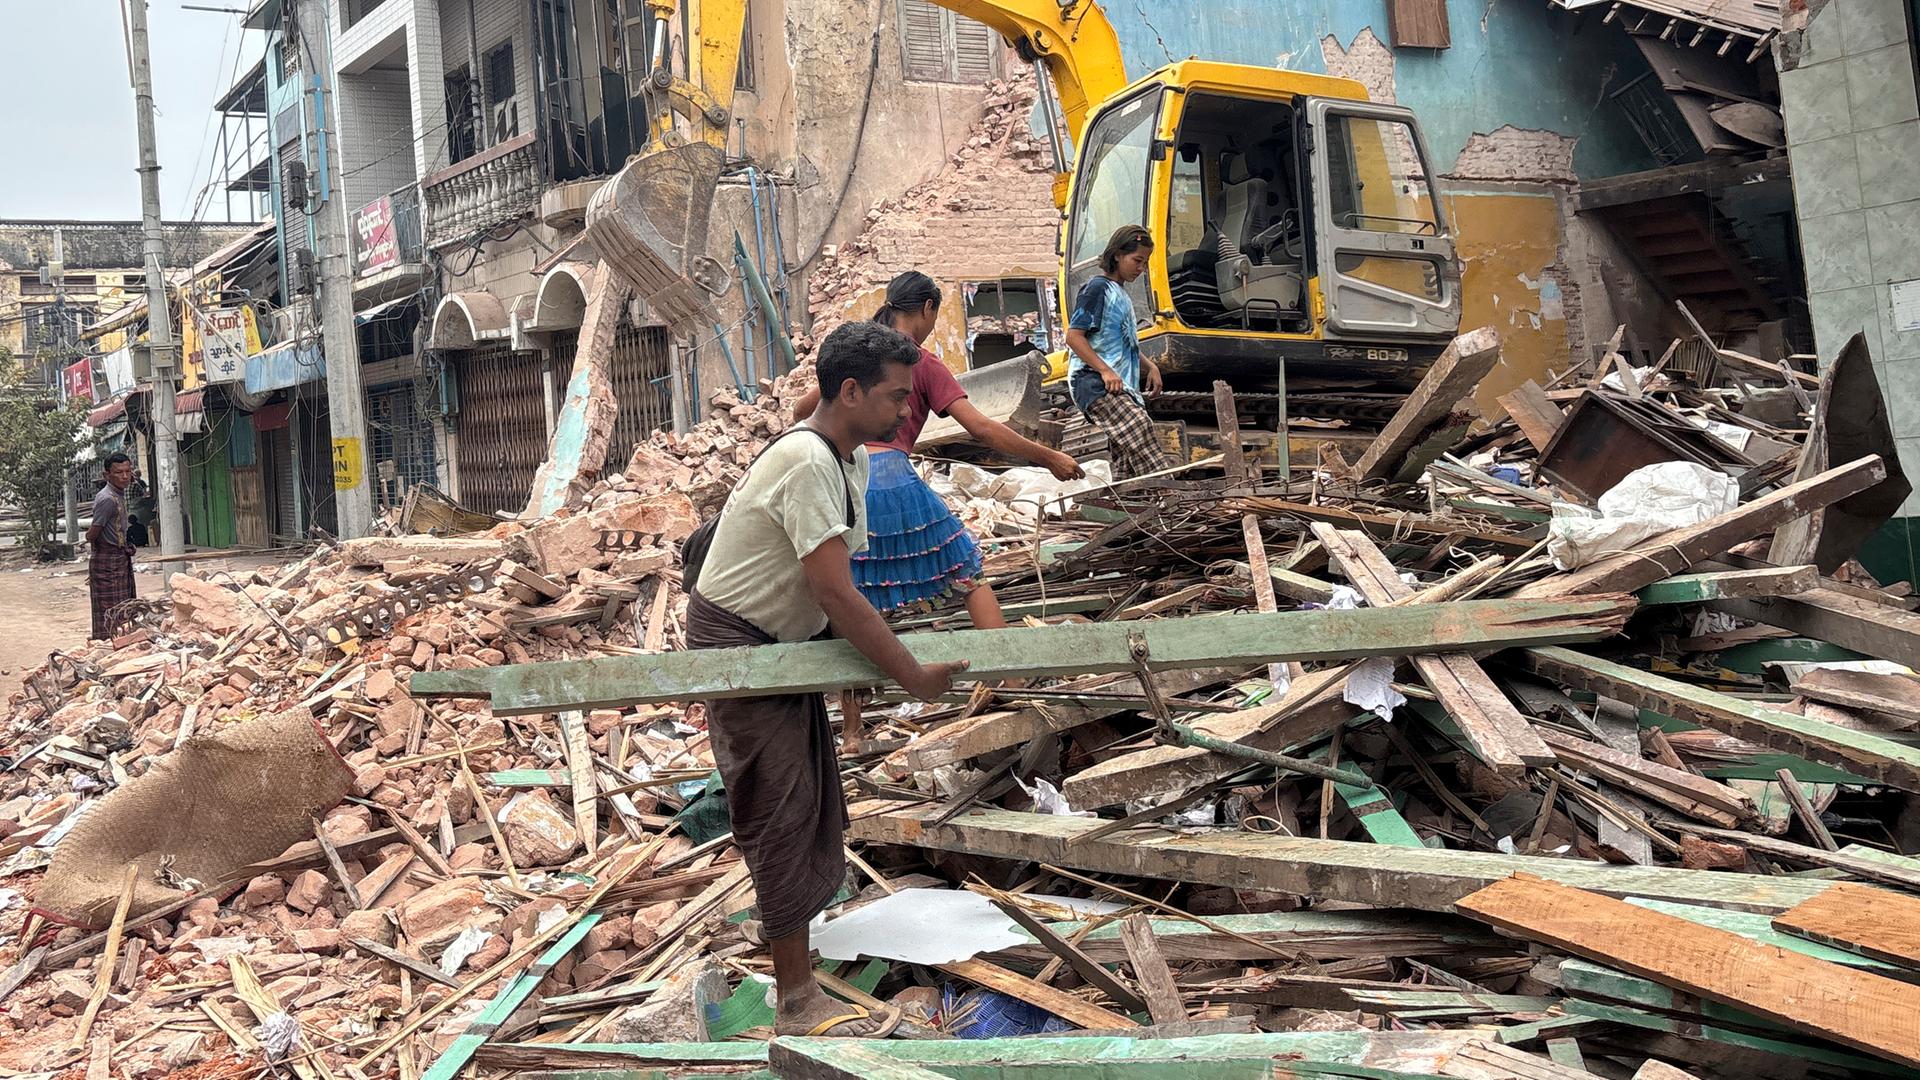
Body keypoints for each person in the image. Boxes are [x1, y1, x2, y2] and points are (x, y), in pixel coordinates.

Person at [687, 320, 970, 1038]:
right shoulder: (812, 462)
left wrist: (851, 664)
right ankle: (794, 1001)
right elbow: (835, 593)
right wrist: (910, 675)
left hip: (785, 641)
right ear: (848, 392)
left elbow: (841, 579)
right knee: (779, 811)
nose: (908, 411)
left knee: (810, 804)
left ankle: (803, 975)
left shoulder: (851, 461)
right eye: (894, 397)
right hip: (742, 644)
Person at [793, 271, 1084, 627]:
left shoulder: (860, 356)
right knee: (968, 573)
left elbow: (800, 411)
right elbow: (980, 427)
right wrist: (1049, 457)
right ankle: (1010, 676)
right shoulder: (920, 363)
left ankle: (856, 684)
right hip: (893, 481)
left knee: (850, 588)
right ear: (928, 309)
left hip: (844, 482)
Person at [1065, 225, 1176, 480]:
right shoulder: (1097, 289)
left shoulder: (1122, 295)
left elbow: (1123, 342)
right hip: (1093, 382)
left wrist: (1151, 367)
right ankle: (1168, 495)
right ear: (1117, 255)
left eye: (1145, 262)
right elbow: (1074, 337)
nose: (1141, 268)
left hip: (1119, 385)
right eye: (1137, 260)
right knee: (1139, 427)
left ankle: (1129, 507)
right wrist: (1104, 370)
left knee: (1126, 459)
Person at [86, 453, 137, 640]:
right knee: (111, 608)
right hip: (108, 561)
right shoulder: (107, 499)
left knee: (122, 606)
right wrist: (88, 537)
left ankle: (122, 641)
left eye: (127, 471)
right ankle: (109, 643)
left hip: (118, 558)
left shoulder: (118, 494)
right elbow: (94, 531)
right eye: (119, 472)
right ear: (107, 475)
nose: (125, 476)